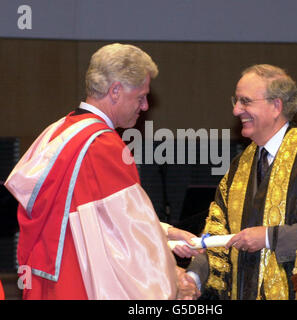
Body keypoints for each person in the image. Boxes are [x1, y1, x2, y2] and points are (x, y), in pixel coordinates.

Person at [5, 43, 200, 300]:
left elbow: (90, 215)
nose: (143, 107)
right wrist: (173, 276)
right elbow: (130, 235)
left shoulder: (57, 131)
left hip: (46, 279)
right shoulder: (103, 145)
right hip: (79, 282)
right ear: (116, 90)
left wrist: (165, 231)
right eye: (140, 97)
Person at [185, 64, 297, 300]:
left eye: (245, 101)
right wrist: (192, 278)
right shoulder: (239, 167)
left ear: (276, 106)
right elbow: (217, 238)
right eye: (236, 101)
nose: (235, 110)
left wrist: (267, 237)